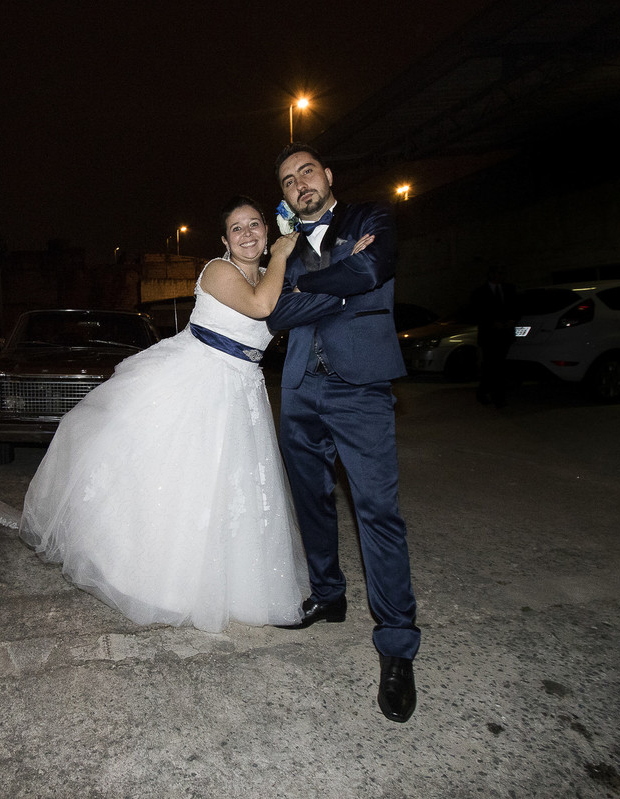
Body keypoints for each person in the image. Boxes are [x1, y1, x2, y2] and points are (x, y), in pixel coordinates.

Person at [19, 196, 312, 633]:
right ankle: (156, 580)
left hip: (242, 390)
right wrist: (285, 253)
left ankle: (241, 590)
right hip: (197, 381)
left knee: (235, 490)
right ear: (224, 240)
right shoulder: (219, 271)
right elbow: (260, 308)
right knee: (178, 480)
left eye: (255, 224)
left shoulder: (272, 277)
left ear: (267, 231)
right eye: (237, 228)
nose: (248, 233)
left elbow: (301, 301)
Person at [266, 143, 421, 723]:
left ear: (328, 175)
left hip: (361, 388)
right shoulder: (283, 247)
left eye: (307, 172)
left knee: (377, 511)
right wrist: (336, 283)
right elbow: (274, 314)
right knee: (312, 503)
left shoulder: (371, 217)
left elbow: (372, 270)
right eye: (288, 181)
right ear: (284, 196)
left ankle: (397, 645)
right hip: (300, 388)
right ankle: (329, 597)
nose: (299, 184)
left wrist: (305, 290)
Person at [470, 264, 519, 407]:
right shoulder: (480, 292)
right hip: (489, 335)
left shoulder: (509, 289)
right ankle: (490, 393)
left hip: (505, 333)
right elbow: (477, 312)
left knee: (500, 365)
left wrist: (512, 320)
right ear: (491, 274)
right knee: (491, 364)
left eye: (502, 273)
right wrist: (491, 323)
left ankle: (494, 394)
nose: (501, 276)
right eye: (498, 273)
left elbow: (516, 307)